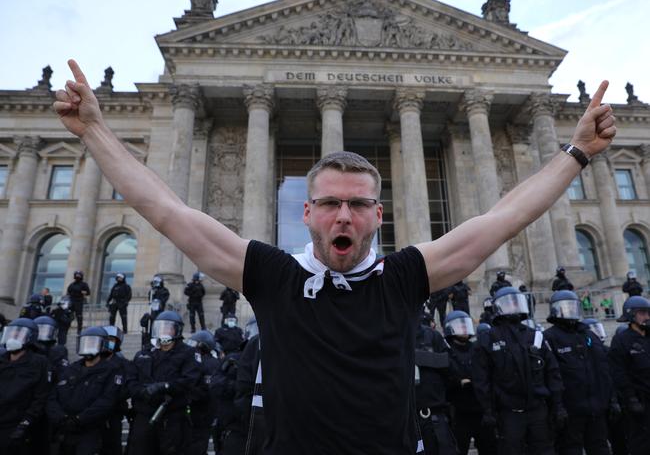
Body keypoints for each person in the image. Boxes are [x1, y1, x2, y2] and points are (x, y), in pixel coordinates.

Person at [53, 61, 616, 455]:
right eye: (328, 203)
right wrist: (96, 132)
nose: (342, 215)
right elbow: (166, 211)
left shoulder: (404, 278)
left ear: (378, 216)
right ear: (306, 213)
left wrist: (578, 154)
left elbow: (505, 218)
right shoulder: (274, 278)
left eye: (357, 204)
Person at [472, 286, 564, 455]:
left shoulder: (534, 335)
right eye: (508, 303)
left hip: (538, 410)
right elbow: (481, 379)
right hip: (509, 413)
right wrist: (488, 410)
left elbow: (552, 372)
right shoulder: (488, 339)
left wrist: (558, 405)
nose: (513, 306)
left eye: (516, 302)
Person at [543, 290, 613, 455]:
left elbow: (603, 370)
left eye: (572, 307)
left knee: (600, 448)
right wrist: (557, 406)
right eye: (565, 307)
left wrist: (611, 399)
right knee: (570, 449)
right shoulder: (549, 337)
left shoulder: (588, 335)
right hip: (570, 410)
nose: (569, 311)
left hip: (595, 407)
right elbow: (551, 375)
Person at [127, 310, 201, 454]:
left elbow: (189, 380)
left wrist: (163, 387)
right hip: (144, 416)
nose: (163, 331)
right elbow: (131, 380)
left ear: (177, 330)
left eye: (168, 328)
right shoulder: (144, 353)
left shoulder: (188, 353)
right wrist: (142, 391)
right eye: (160, 327)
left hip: (171, 417)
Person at [47, 326, 121, 455]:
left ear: (102, 345)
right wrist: (62, 418)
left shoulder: (112, 370)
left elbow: (106, 401)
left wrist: (79, 419)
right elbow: (53, 397)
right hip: (65, 429)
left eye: (93, 342)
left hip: (91, 430)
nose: (88, 346)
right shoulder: (70, 369)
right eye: (85, 342)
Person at [445, 311, 496, 455]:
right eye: (459, 326)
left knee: (489, 447)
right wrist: (458, 382)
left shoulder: (477, 348)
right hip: (459, 411)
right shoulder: (447, 350)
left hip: (480, 409)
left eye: (464, 325)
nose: (463, 329)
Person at [0, 318, 50, 454]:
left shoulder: (39, 362)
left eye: (18, 334)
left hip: (15, 425)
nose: (13, 337)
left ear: (30, 338)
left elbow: (40, 396)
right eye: (11, 334)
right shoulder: (2, 359)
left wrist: (25, 423)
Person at [608, 296, 650, 455]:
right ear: (631, 315)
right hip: (639, 402)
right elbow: (618, 372)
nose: (647, 317)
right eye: (642, 313)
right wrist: (630, 398)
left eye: (648, 313)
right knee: (642, 443)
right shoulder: (621, 340)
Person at [414, 312, 458, 455]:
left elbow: (452, 369)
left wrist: (421, 357)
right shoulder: (391, 337)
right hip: (405, 420)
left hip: (434, 417)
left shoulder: (432, 336)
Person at [100, 325, 134, 455]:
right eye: (106, 339)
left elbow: (128, 386)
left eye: (112, 340)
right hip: (94, 412)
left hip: (115, 410)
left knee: (113, 445)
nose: (109, 342)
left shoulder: (123, 363)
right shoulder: (95, 360)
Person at [186, 330, 221, 455]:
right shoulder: (196, 360)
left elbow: (207, 389)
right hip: (198, 409)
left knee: (199, 442)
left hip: (203, 410)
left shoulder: (210, 363)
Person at [66, 270, 91, 334]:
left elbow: (88, 292)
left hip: (79, 301)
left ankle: (79, 330)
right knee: (69, 315)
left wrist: (82, 292)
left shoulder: (84, 284)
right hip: (72, 301)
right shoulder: (72, 284)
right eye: (76, 275)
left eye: (79, 275)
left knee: (79, 316)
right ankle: (66, 327)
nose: (77, 276)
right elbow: (68, 292)